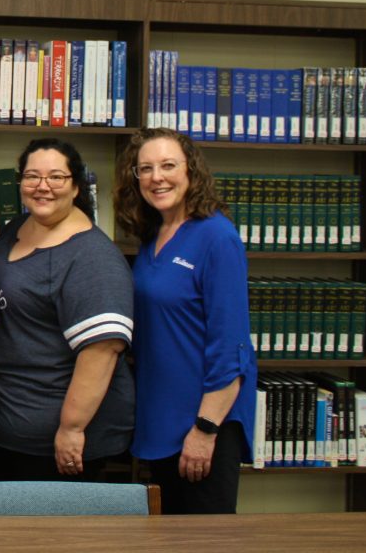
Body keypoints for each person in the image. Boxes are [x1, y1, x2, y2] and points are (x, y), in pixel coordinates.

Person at [0, 138, 134, 483]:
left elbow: (102, 351)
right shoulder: (16, 230)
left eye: (56, 177)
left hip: (53, 446)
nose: (43, 187)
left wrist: (72, 428)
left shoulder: (92, 258)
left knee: (49, 537)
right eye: (32, 176)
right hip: (0, 431)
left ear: (76, 186)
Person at [113, 127, 256, 514]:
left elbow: (232, 349)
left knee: (203, 539)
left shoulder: (217, 238)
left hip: (203, 422)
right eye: (145, 168)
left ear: (191, 171)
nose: (156, 177)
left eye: (168, 165)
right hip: (160, 417)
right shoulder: (152, 235)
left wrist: (205, 430)